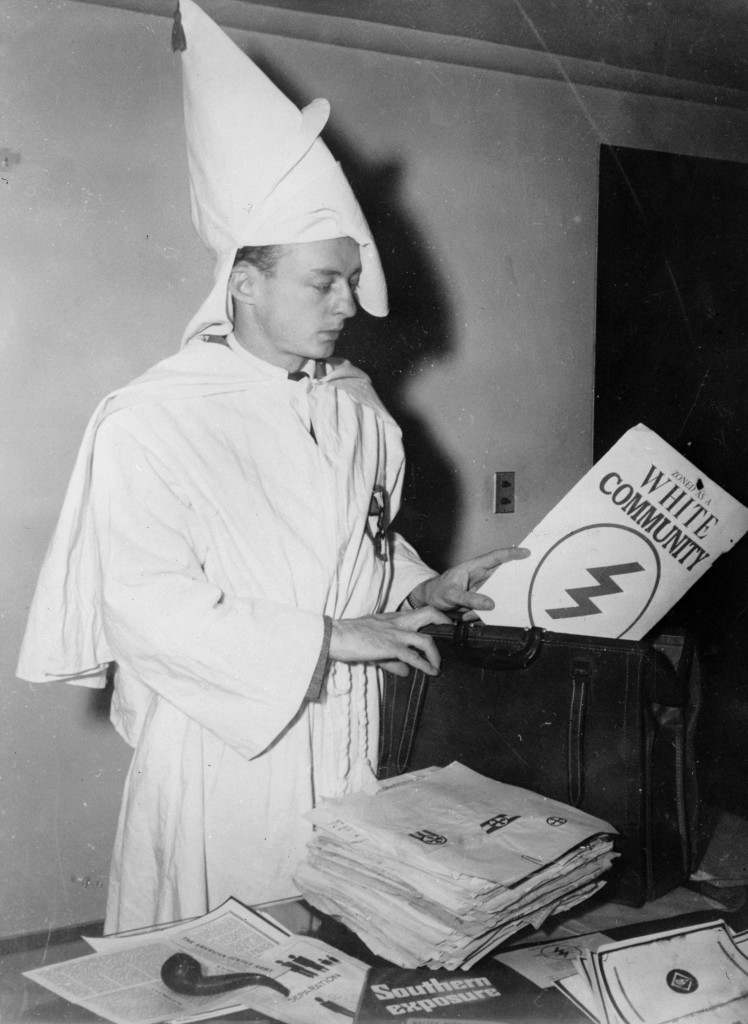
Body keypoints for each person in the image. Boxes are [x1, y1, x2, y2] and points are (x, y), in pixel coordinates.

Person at [16, 0, 526, 933]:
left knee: (355, 948)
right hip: (226, 753)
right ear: (242, 282)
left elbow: (357, 547)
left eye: (348, 280)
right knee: (231, 962)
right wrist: (330, 637)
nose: (347, 305)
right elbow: (146, 604)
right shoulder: (155, 419)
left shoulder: (358, 410)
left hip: (352, 733)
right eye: (320, 282)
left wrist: (422, 589)